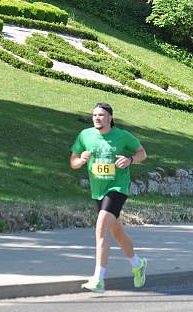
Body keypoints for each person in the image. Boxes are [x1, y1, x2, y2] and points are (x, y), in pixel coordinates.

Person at [70, 102, 148, 293]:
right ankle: (138, 264)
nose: (97, 118)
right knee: (117, 232)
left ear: (110, 118)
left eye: (102, 115)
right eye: (95, 115)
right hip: (98, 190)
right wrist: (81, 160)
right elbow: (73, 161)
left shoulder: (122, 136)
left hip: (118, 188)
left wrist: (130, 160)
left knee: (101, 226)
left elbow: (142, 153)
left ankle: (99, 279)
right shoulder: (85, 135)